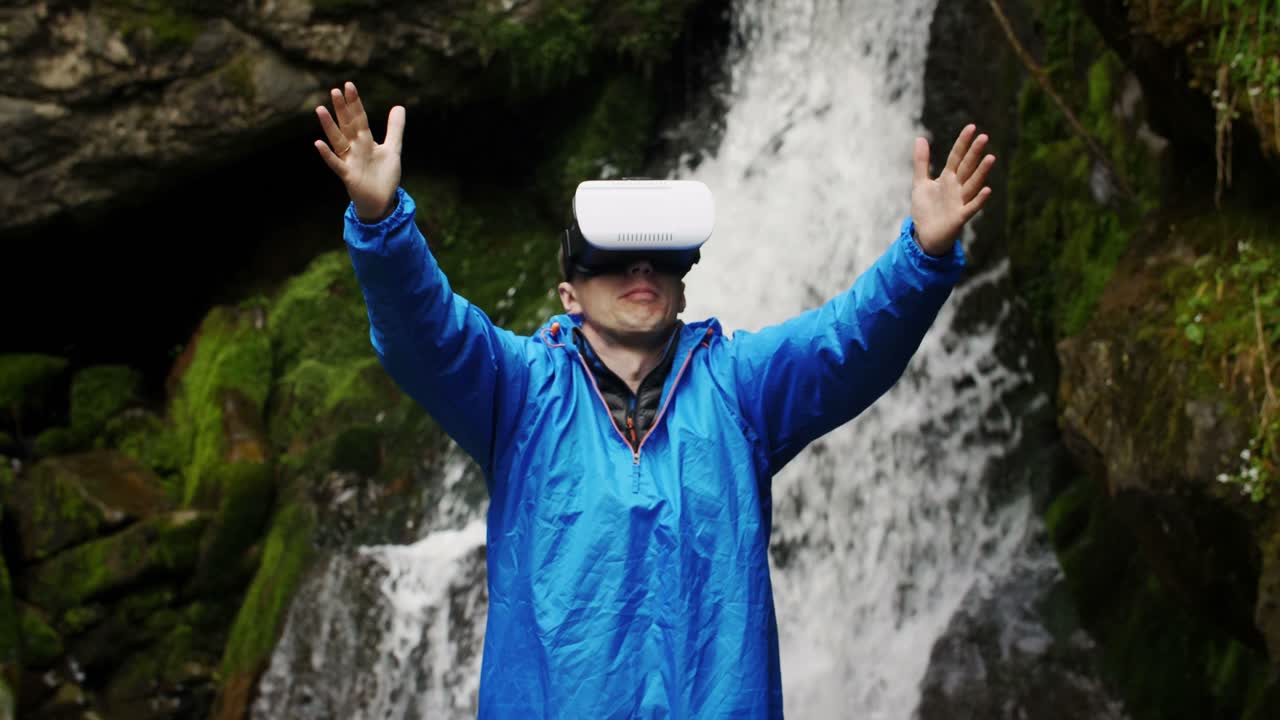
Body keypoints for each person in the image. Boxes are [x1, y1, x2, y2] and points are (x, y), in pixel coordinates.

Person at [315, 81, 994, 719]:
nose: (640, 268)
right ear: (569, 295)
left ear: (682, 287)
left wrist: (923, 255)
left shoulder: (740, 388)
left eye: (660, 258)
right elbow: (426, 332)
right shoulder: (518, 392)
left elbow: (848, 343)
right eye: (611, 257)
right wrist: (382, 223)